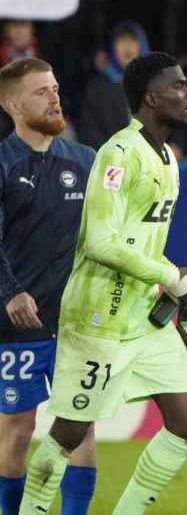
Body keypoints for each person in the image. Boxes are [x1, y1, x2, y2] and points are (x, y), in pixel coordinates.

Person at [18, 52, 187, 515]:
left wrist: (182, 282)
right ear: (151, 98)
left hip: (144, 318)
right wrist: (172, 277)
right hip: (100, 318)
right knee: (69, 434)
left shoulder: (169, 158)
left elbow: (141, 244)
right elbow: (102, 243)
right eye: (178, 87)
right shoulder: (119, 153)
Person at [0, 58, 97, 515]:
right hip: (20, 324)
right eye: (41, 92)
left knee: (79, 426)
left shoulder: (87, 162)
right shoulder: (2, 164)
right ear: (13, 105)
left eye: (55, 88)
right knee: (18, 427)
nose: (55, 97)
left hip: (76, 322)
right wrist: (10, 292)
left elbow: (110, 238)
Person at [78, 21, 149, 151]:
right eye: (121, 41)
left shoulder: (157, 83)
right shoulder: (97, 88)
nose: (127, 47)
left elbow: (174, 120)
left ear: (142, 45)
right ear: (112, 47)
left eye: (133, 40)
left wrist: (175, 145)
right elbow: (89, 133)